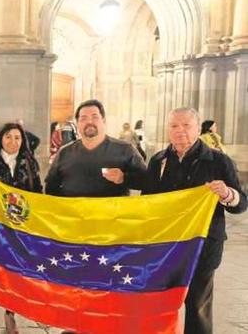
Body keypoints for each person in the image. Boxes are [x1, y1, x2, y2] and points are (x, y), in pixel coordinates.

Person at [142, 107, 246, 334]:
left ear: (198, 128)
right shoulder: (158, 161)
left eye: (186, 125)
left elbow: (242, 203)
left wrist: (227, 194)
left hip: (203, 245)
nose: (180, 131)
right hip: (166, 247)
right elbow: (146, 202)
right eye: (174, 126)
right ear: (168, 130)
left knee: (198, 306)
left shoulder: (218, 161)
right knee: (161, 304)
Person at [0, 122, 42, 334]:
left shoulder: (30, 164)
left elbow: (37, 193)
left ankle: (10, 314)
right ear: (0, 139)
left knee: (15, 270)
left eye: (17, 137)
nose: (12, 141)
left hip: (21, 228)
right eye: (8, 136)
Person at [45, 100, 146, 197]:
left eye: (95, 117)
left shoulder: (125, 150)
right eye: (83, 118)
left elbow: (145, 181)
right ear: (77, 123)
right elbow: (51, 187)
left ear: (103, 121)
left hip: (111, 213)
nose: (89, 122)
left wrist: (123, 178)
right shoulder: (64, 153)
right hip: (73, 213)